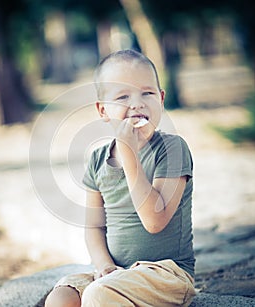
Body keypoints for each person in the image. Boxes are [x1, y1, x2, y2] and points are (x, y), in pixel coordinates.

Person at [45, 49, 196, 307]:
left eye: (147, 93)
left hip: (166, 274)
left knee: (99, 295)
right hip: (117, 273)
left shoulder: (172, 150)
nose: (137, 103)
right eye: (123, 95)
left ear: (161, 99)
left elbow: (154, 220)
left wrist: (129, 155)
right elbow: (94, 226)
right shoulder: (97, 159)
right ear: (103, 110)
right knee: (61, 298)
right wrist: (104, 266)